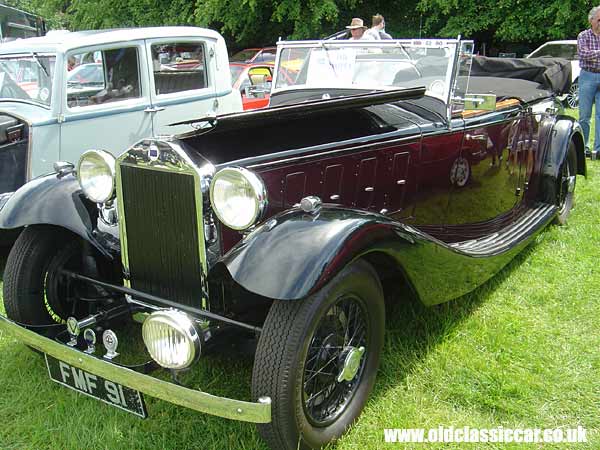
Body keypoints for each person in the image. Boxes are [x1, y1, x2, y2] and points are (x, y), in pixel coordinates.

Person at [577, 5, 600, 159]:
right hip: (588, 76)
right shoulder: (583, 36)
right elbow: (584, 55)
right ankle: (583, 148)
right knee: (585, 115)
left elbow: (590, 55)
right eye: (599, 19)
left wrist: (595, 54)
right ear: (591, 20)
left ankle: (598, 150)